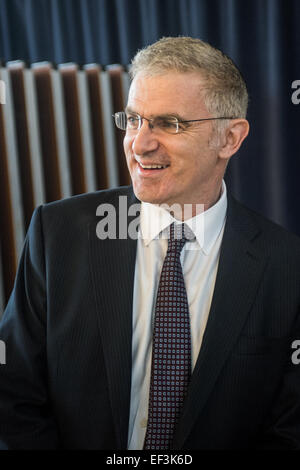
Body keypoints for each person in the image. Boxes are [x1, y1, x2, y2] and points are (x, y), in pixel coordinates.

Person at [0, 36, 300, 450]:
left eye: (169, 124)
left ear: (230, 138)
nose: (140, 144)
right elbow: (13, 394)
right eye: (133, 119)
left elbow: (289, 429)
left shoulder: (287, 266)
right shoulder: (58, 233)